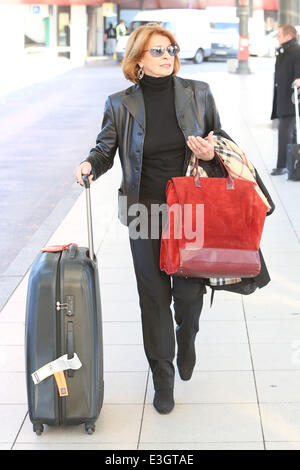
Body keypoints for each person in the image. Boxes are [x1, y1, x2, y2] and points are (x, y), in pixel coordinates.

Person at [74, 24, 273, 415]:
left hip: (190, 208)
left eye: (171, 50)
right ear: (139, 61)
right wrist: (89, 165)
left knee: (187, 294)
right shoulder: (119, 104)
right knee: (152, 296)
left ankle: (189, 335)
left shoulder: (198, 93)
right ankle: (162, 376)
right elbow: (105, 149)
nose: (168, 57)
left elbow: (223, 141)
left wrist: (209, 150)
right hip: (142, 210)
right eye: (158, 52)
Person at [271, 24, 300, 175]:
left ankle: (282, 165)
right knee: (291, 133)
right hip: (284, 100)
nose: (277, 37)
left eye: (280, 34)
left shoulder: (296, 50)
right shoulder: (286, 50)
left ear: (289, 36)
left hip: (291, 101)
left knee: (285, 132)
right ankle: (292, 164)